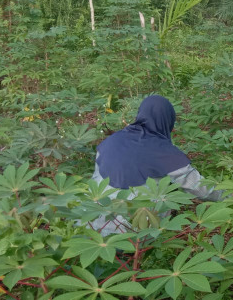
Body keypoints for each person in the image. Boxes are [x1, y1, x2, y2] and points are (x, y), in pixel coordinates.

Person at [90, 94, 222, 234]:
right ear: (167, 120)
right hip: (133, 232)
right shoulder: (164, 152)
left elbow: (95, 181)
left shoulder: (110, 142)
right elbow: (199, 188)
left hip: (91, 223)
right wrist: (232, 195)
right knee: (163, 194)